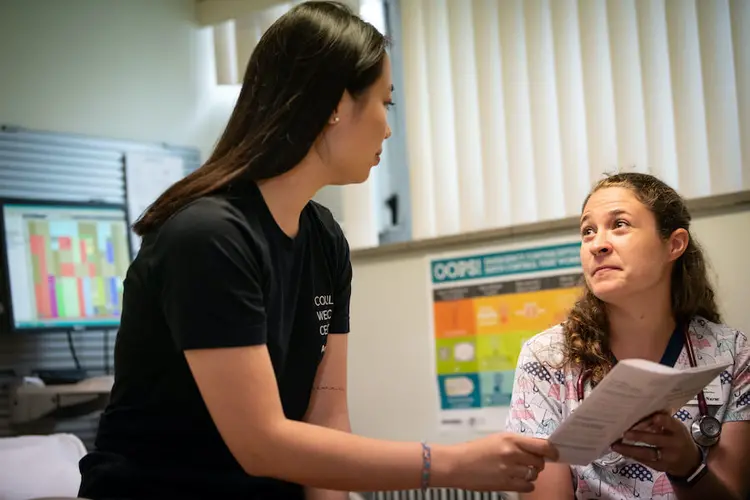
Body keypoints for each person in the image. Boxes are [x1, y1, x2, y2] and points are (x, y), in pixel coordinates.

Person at [77, 2, 558, 499]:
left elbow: (325, 418)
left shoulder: (324, 238)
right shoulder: (207, 236)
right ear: (334, 104)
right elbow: (261, 443)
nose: (389, 128)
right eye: (384, 103)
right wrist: (449, 464)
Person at [505, 172, 750, 499]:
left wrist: (689, 468)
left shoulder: (732, 352)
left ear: (674, 245)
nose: (597, 244)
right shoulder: (546, 357)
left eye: (619, 224)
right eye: (587, 231)